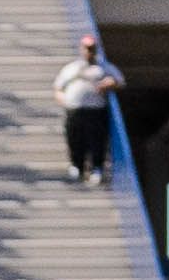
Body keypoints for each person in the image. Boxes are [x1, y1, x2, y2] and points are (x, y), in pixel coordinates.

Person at [52, 36, 124, 184]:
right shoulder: (72, 68)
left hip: (95, 110)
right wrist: (62, 99)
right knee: (75, 138)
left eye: (91, 49)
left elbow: (120, 81)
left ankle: (96, 168)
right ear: (81, 49)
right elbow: (58, 86)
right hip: (74, 109)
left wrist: (110, 83)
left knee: (96, 140)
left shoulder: (104, 67)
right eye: (86, 48)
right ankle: (76, 166)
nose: (88, 51)